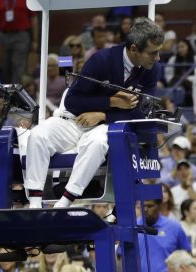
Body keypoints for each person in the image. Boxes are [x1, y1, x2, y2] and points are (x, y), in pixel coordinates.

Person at [24, 18, 163, 208]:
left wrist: (104, 115)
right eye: (153, 53)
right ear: (133, 49)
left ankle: (64, 202)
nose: (158, 58)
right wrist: (110, 102)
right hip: (74, 119)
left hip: (108, 125)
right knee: (37, 135)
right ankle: (34, 203)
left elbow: (142, 112)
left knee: (97, 143)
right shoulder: (101, 60)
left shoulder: (152, 70)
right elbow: (73, 101)